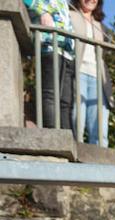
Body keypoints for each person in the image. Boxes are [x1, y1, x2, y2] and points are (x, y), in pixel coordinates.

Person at [24, 0, 76, 131]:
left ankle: (67, 136)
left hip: (66, 52)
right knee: (50, 95)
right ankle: (53, 133)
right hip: (48, 45)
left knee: (65, 102)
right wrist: (42, 12)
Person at [69, 0, 108, 146]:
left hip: (97, 77)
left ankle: (101, 161)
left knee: (99, 125)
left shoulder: (99, 24)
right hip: (78, 72)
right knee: (77, 118)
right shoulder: (70, 15)